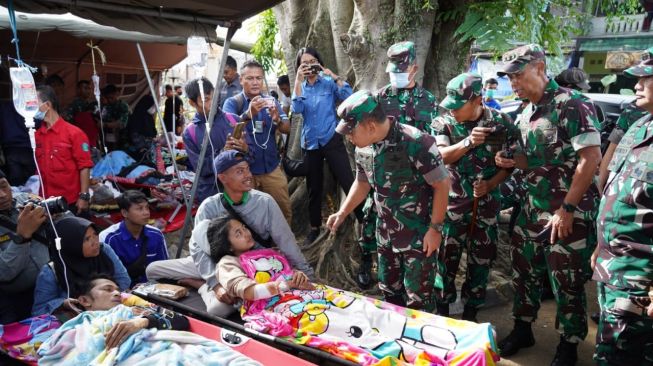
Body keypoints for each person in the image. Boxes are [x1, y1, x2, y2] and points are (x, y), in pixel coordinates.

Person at [494, 44, 602, 365]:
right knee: (524, 273)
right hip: (531, 209)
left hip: (567, 211)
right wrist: (511, 161)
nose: (512, 82)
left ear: (540, 68)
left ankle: (569, 343)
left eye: (518, 74)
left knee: (566, 281)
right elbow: (535, 160)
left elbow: (591, 157)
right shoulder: (526, 111)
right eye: (508, 77)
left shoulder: (573, 104)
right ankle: (523, 328)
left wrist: (567, 209)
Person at [146, 150, 313, 317]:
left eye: (247, 169)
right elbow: (198, 248)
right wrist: (215, 283)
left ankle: (202, 287)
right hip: (213, 263)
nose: (248, 175)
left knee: (220, 309)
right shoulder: (209, 207)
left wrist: (306, 273)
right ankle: (205, 284)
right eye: (240, 171)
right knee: (152, 270)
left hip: (250, 267)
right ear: (222, 177)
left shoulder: (265, 203)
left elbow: (286, 241)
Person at [326, 90, 450, 312]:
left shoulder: (416, 142)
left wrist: (435, 229)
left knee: (419, 299)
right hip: (385, 235)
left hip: (418, 237)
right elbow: (362, 183)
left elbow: (442, 184)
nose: (348, 137)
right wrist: (342, 212)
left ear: (371, 126)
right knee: (390, 294)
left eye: (351, 131)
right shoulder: (364, 147)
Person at [432, 72, 519, 321]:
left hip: (486, 206)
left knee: (481, 263)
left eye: (458, 106)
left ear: (477, 100)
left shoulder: (502, 123)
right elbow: (440, 157)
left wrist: (491, 184)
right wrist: (468, 142)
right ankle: (442, 315)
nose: (453, 111)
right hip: (452, 206)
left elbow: (510, 163)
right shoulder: (443, 123)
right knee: (445, 263)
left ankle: (471, 315)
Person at [591, 55, 653, 365]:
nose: (637, 85)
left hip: (641, 278)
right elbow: (615, 191)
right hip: (613, 266)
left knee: (627, 354)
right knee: (609, 349)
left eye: (646, 79)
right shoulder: (640, 126)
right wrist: (601, 247)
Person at [292, 46, 363, 245]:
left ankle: (363, 221)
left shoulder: (327, 83)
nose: (308, 66)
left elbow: (348, 96)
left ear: (318, 62)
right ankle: (314, 228)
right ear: (299, 67)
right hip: (310, 143)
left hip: (331, 138)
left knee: (348, 180)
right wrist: (297, 81)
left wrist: (334, 76)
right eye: (303, 64)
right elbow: (297, 109)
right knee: (314, 187)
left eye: (311, 62)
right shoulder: (300, 86)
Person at [223, 60, 293, 223]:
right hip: (245, 172)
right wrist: (248, 114)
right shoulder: (233, 103)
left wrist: (277, 120)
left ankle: (282, 247)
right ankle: (255, 248)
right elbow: (229, 133)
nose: (255, 82)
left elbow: (288, 128)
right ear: (241, 80)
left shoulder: (271, 101)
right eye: (250, 78)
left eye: (258, 78)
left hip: (271, 169)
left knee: (282, 212)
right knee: (247, 217)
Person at [31, 216, 130, 315]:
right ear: (71, 243)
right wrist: (62, 304)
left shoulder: (104, 250)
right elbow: (39, 311)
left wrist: (103, 300)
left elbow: (124, 280)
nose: (95, 242)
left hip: (112, 312)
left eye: (95, 234)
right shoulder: (51, 271)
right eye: (86, 239)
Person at [208, 216, 314, 301]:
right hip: (269, 309)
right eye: (238, 233)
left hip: (295, 296)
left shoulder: (262, 253)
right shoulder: (227, 263)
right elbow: (249, 292)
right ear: (228, 245)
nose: (246, 233)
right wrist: (288, 284)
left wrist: (296, 275)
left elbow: (282, 273)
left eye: (244, 228)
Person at [72, 275, 189, 349]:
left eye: (118, 290)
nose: (117, 294)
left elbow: (182, 321)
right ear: (84, 300)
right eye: (108, 289)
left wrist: (142, 322)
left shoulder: (139, 311)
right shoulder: (75, 330)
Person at [181, 77, 247, 203]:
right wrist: (222, 153)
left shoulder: (233, 120)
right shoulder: (190, 133)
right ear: (192, 103)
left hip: (239, 190)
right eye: (205, 100)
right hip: (211, 194)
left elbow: (251, 157)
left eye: (213, 97)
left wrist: (245, 149)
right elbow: (201, 169)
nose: (212, 103)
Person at [34, 85, 93, 215]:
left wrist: (84, 196)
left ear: (47, 104)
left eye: (34, 103)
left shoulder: (75, 133)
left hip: (71, 201)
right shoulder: (37, 136)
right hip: (46, 202)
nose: (30, 108)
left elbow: (84, 166)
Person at [0, 168, 49, 323]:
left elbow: (70, 230)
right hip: (14, 301)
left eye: (3, 186)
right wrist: (22, 236)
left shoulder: (27, 200)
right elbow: (4, 272)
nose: (2, 195)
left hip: (51, 287)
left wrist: (57, 216)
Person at [99, 190, 168, 285]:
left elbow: (164, 269)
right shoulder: (108, 238)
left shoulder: (156, 235)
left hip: (154, 289)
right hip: (123, 293)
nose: (146, 213)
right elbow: (106, 277)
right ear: (125, 213)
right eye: (140, 209)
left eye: (147, 208)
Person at [597, 100, 647, 191]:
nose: (637, 87)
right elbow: (614, 149)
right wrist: (599, 184)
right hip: (624, 187)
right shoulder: (634, 109)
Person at [0, 101, 36, 186]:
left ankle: (18, 198)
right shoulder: (29, 107)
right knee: (32, 181)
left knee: (16, 181)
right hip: (28, 147)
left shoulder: (4, 108)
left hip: (10, 148)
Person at [63, 80, 99, 149]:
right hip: (79, 137)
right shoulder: (74, 104)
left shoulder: (90, 104)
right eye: (85, 88)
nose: (88, 91)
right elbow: (68, 120)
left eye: (89, 88)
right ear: (78, 90)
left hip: (90, 137)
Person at [100, 84, 129, 150]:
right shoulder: (106, 106)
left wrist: (105, 124)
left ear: (117, 94)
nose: (110, 100)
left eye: (112, 98)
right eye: (108, 98)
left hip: (122, 139)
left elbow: (122, 123)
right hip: (108, 139)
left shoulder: (123, 106)